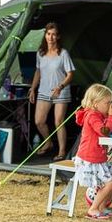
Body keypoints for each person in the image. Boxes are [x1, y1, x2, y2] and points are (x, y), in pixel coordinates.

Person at [74, 84, 112, 220]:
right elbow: (104, 132)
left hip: (99, 158)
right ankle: (93, 209)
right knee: (110, 183)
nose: (110, 105)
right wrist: (111, 118)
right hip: (89, 159)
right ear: (95, 103)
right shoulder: (92, 116)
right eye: (107, 103)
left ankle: (101, 207)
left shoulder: (100, 115)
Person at [28, 22, 75, 161]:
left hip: (60, 91)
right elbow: (38, 71)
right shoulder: (40, 53)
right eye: (48, 34)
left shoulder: (63, 53)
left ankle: (61, 151)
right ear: (45, 35)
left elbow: (70, 74)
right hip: (44, 90)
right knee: (39, 121)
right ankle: (48, 142)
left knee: (58, 121)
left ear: (58, 36)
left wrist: (60, 86)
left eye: (54, 34)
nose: (51, 37)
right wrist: (32, 89)